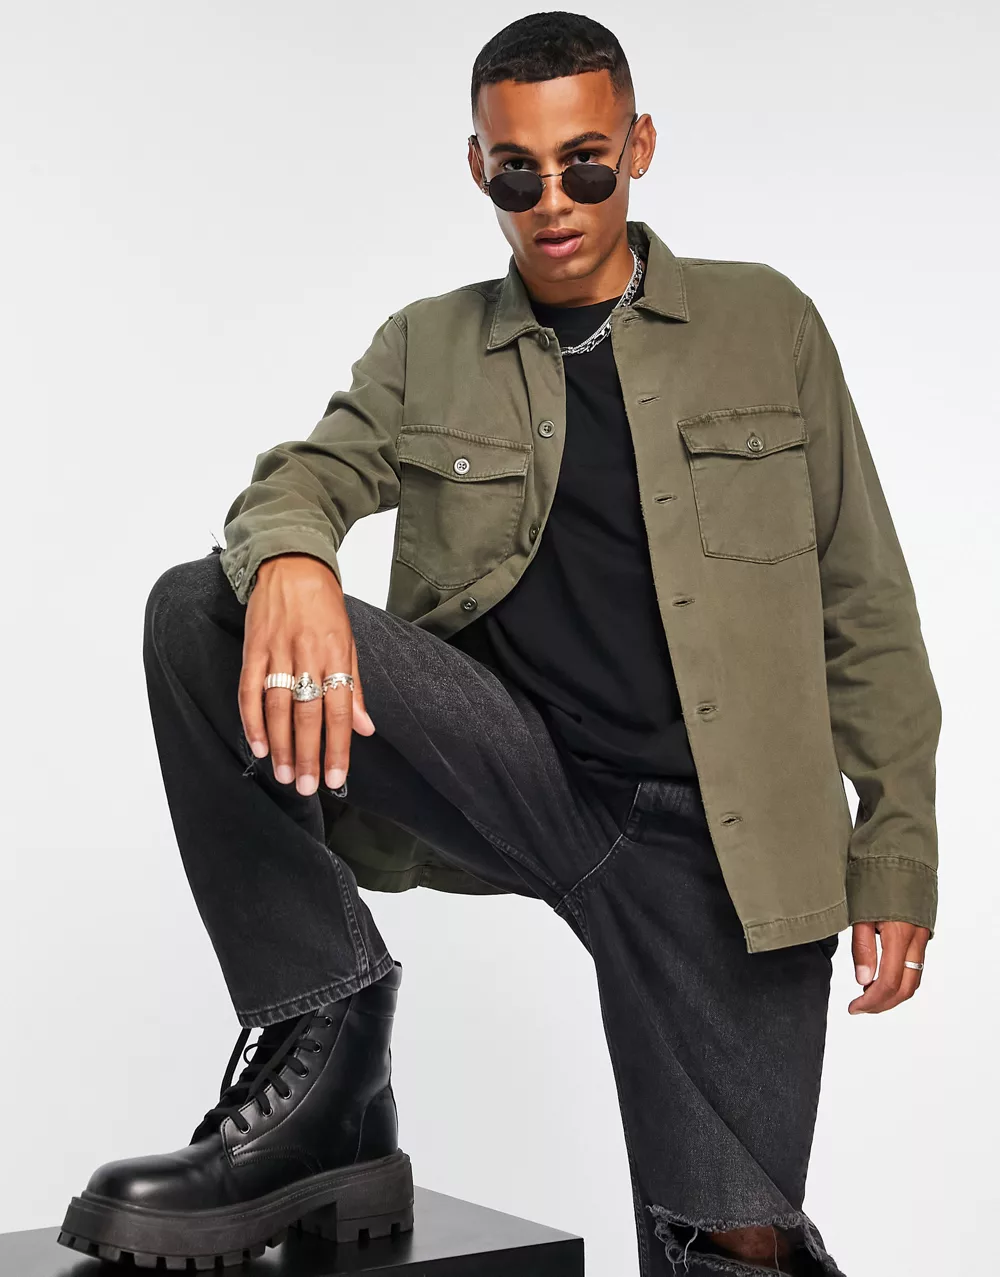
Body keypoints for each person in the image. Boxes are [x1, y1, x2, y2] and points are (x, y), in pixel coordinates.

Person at [58, 11, 941, 1276]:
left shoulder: (767, 323)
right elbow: (307, 473)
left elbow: (866, 600)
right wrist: (296, 558)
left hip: (723, 848)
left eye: (585, 164)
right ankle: (327, 1058)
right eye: (517, 172)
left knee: (727, 1240)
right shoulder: (429, 342)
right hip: (521, 772)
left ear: (639, 145)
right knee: (202, 608)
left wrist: (895, 846)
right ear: (479, 167)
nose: (553, 202)